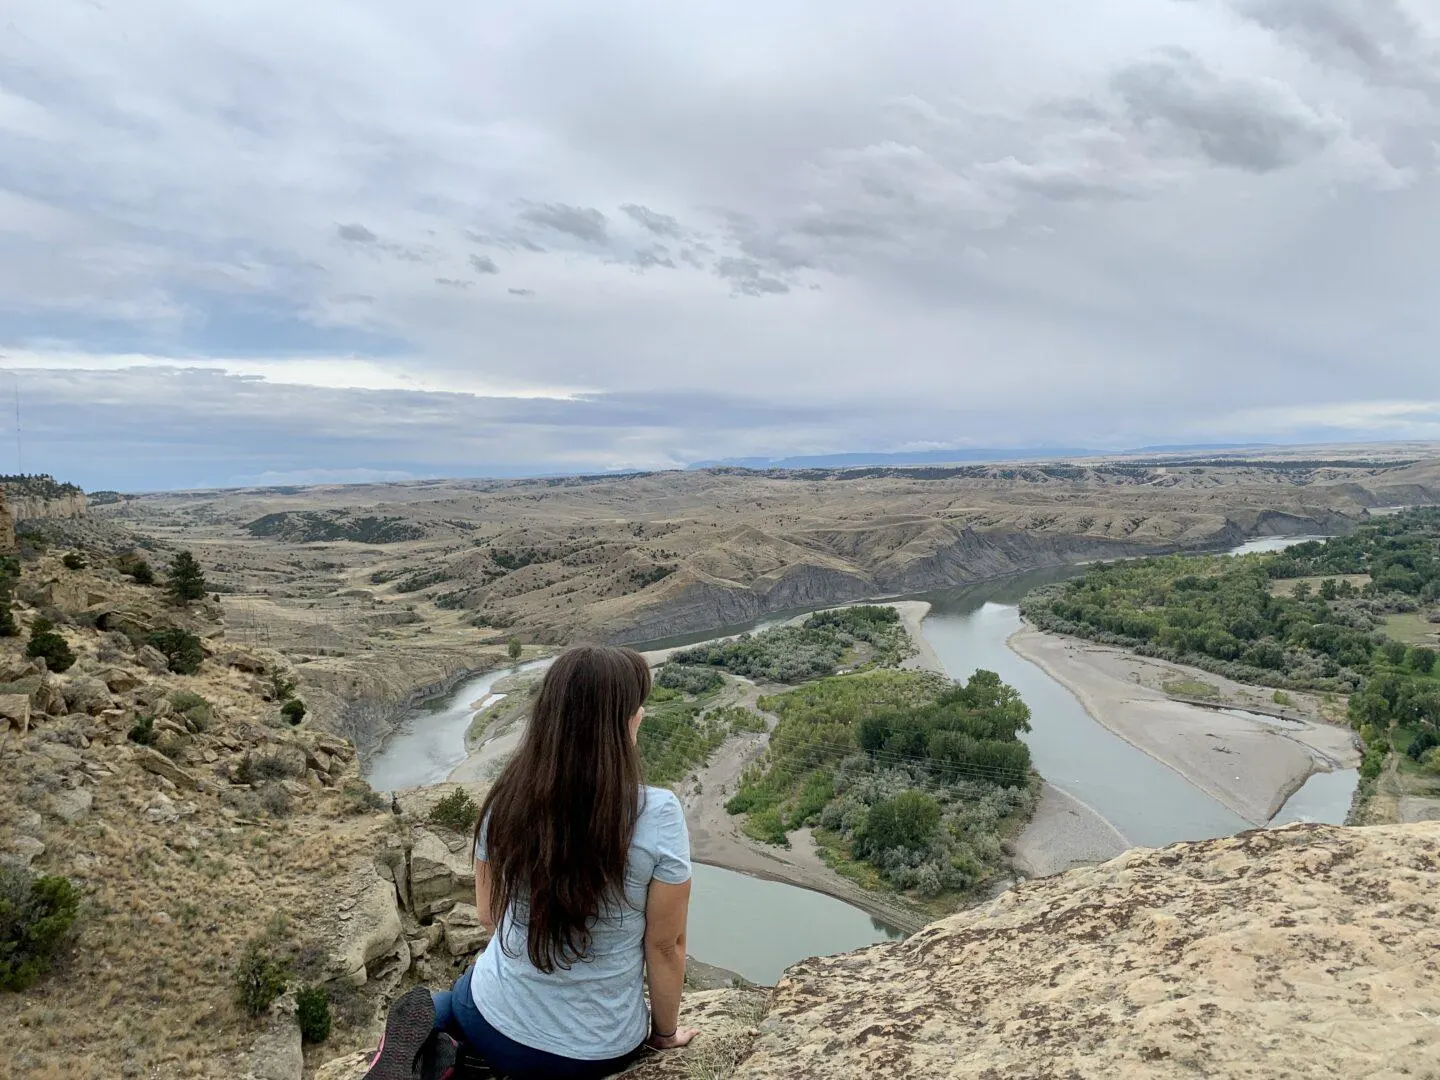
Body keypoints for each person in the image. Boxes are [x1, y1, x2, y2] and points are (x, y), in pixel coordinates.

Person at [366, 645, 697, 1080]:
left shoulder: (507, 800)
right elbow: (664, 946)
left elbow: (488, 916)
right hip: (597, 1051)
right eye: (637, 708)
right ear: (620, 723)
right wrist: (664, 1034)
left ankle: (436, 1051)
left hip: (492, 1024)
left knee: (444, 1001)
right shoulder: (658, 813)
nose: (641, 715)